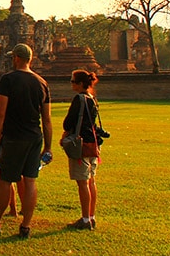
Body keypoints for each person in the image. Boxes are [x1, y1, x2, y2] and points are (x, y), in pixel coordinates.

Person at [0, 43, 52, 238]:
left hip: (14, 137)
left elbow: (0, 113)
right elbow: (47, 119)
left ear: (16, 57)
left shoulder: (8, 79)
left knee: (6, 181)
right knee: (31, 181)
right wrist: (48, 146)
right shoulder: (41, 82)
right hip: (35, 137)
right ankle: (25, 226)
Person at [61, 69, 101, 230]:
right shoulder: (92, 98)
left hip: (81, 145)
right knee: (91, 180)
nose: (71, 84)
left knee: (83, 182)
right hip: (93, 144)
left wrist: (64, 135)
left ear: (79, 84)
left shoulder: (79, 99)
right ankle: (91, 216)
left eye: (72, 81)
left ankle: (85, 220)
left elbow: (69, 122)